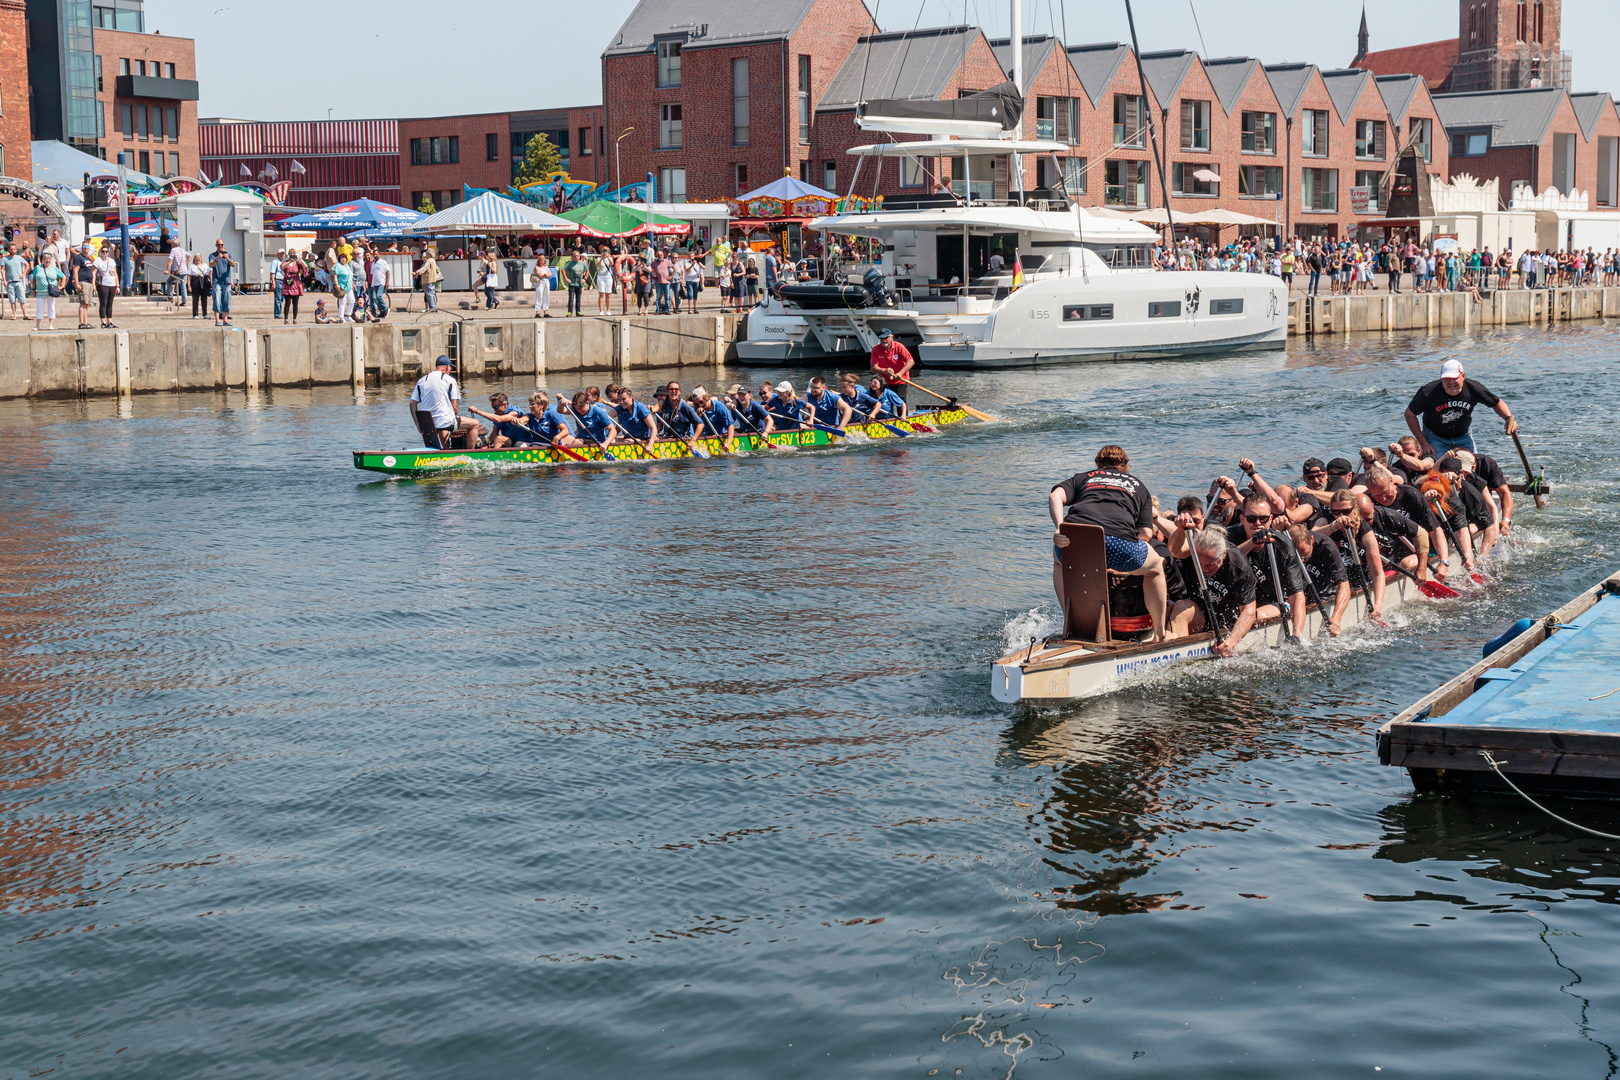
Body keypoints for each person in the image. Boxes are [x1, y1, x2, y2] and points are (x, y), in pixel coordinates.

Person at [1049, 444, 1170, 642]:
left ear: (1097, 465)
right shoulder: (1138, 485)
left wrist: (1060, 526)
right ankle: (1159, 633)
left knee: (1058, 561)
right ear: (1126, 468)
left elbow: (1055, 496)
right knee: (1156, 567)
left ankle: (1069, 625)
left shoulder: (1083, 478)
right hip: (1121, 544)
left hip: (1078, 541)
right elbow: (1146, 533)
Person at [1225, 493, 1309, 638]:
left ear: (1270, 519)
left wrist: (1297, 635)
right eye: (1251, 519)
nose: (1258, 523)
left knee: (1253, 615)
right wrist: (1253, 542)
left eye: (1263, 519)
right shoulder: (1230, 536)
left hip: (1274, 603)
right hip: (1238, 604)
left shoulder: (1283, 544)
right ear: (1242, 519)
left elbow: (1296, 596)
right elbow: (1225, 561)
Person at [1168, 527, 1257, 656]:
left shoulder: (1238, 565)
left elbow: (1249, 611)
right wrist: (1180, 529)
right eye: (1200, 563)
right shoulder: (1193, 551)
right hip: (1199, 614)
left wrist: (1231, 641)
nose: (1204, 569)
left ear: (1223, 555)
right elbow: (1174, 550)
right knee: (1179, 606)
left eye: (1210, 564)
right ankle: (1175, 654)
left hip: (1225, 622)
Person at [1405, 358, 1516, 458]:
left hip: (1463, 435)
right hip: (1435, 437)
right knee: (1439, 471)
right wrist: (1424, 443)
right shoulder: (1428, 392)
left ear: (1463, 376)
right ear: (1441, 378)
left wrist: (1508, 418)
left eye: (1455, 378)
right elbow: (1409, 414)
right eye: (1447, 378)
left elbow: (1496, 402)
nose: (1451, 382)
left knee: (1473, 467)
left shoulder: (1473, 389)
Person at [410, 356, 482, 448]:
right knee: (474, 424)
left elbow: (412, 403)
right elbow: (454, 406)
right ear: (448, 367)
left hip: (427, 423)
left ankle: (446, 450)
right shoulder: (450, 380)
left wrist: (417, 423)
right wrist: (455, 418)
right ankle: (470, 454)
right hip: (445, 421)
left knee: (443, 428)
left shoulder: (422, 380)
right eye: (450, 368)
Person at [655, 379, 705, 453]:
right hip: (669, 438)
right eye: (671, 389)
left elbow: (700, 424)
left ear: (679, 392)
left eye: (676, 389)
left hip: (684, 439)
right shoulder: (663, 404)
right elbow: (654, 409)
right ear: (667, 392)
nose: (673, 391)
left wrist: (693, 440)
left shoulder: (685, 406)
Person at [869, 327, 915, 405]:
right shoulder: (876, 349)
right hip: (885, 381)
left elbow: (910, 361)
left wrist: (900, 373)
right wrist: (884, 370)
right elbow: (873, 368)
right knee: (885, 402)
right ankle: (887, 416)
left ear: (891, 337)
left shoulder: (899, 347)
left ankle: (903, 416)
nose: (884, 340)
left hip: (900, 380)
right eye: (881, 338)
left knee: (900, 402)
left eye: (886, 337)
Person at [32, 251, 64, 330]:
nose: (47, 260)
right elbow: (33, 278)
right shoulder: (38, 268)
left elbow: (63, 276)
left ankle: (51, 324)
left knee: (51, 307)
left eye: (49, 259)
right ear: (43, 259)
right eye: (46, 259)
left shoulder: (54, 268)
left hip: (51, 291)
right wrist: (34, 289)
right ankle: (37, 325)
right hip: (40, 291)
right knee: (39, 307)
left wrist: (61, 286)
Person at [69, 243, 96, 330]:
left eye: (87, 247)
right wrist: (77, 283)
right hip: (82, 281)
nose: (85, 248)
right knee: (82, 303)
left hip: (88, 282)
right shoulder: (78, 257)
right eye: (84, 247)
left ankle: (85, 322)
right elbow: (75, 271)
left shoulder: (88, 258)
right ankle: (81, 322)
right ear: (81, 248)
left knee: (86, 304)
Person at [210, 240, 236, 327]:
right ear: (216, 245)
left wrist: (227, 258)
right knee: (217, 300)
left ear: (224, 245)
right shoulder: (212, 255)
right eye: (218, 245)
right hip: (217, 281)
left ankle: (225, 320)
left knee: (226, 300)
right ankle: (217, 320)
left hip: (227, 281)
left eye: (221, 244)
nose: (220, 246)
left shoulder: (229, 254)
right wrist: (218, 258)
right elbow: (211, 265)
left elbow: (233, 264)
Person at [93, 244, 119, 329]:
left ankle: (109, 321)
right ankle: (102, 321)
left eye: (106, 252)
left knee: (110, 303)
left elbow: (115, 274)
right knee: (103, 302)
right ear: (101, 252)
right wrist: (93, 284)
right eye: (103, 251)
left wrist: (117, 285)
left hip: (112, 283)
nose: (104, 253)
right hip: (103, 283)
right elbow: (94, 273)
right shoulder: (98, 260)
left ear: (108, 252)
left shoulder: (111, 261)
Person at [1, 243, 25, 320]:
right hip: (10, 282)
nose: (12, 250)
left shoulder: (19, 257)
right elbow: (2, 270)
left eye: (14, 249)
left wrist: (24, 273)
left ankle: (25, 314)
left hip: (18, 281)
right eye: (11, 249)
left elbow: (27, 264)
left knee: (22, 298)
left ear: (16, 250)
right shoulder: (4, 259)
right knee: (12, 299)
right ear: (8, 250)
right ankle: (14, 314)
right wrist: (4, 280)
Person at [280, 253, 305, 324]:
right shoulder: (286, 262)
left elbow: (305, 266)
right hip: (288, 284)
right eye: (291, 255)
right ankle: (286, 319)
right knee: (287, 302)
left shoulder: (297, 263)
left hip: (296, 284)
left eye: (294, 254)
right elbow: (282, 267)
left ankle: (295, 319)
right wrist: (290, 261)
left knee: (295, 303)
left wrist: (301, 260)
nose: (293, 256)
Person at [414, 248, 441, 312]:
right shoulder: (433, 260)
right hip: (432, 279)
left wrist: (417, 272)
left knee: (429, 294)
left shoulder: (429, 261)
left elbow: (424, 268)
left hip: (428, 279)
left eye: (426, 253)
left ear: (429, 254)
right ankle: (435, 307)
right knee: (432, 293)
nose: (426, 254)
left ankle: (432, 308)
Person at [563, 251, 586, 317]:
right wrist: (566, 278)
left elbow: (587, 270)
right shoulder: (570, 263)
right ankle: (570, 312)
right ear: (573, 257)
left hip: (579, 284)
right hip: (572, 284)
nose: (576, 257)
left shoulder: (582, 263)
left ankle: (578, 311)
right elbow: (563, 270)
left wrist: (585, 279)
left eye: (577, 256)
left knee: (578, 298)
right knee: (571, 298)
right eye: (575, 256)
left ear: (579, 256)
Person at [369, 254, 391, 321]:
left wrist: (387, 282)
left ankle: (385, 308)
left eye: (376, 254)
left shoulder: (383, 262)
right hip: (375, 283)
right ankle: (382, 311)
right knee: (374, 298)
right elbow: (373, 275)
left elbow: (388, 272)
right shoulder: (373, 264)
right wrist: (372, 285)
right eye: (374, 254)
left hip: (381, 282)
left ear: (379, 254)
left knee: (379, 296)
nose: (375, 255)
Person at [594, 251, 615, 315]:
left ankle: (608, 310)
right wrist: (602, 258)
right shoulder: (599, 258)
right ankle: (601, 310)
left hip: (608, 276)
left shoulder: (610, 258)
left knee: (608, 294)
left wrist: (608, 257)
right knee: (601, 293)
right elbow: (597, 265)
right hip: (601, 276)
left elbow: (612, 264)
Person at [532, 253, 551, 318]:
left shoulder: (546, 267)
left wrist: (544, 274)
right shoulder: (536, 267)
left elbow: (550, 274)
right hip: (539, 282)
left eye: (543, 260)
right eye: (540, 260)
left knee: (546, 296)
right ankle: (537, 312)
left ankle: (545, 312)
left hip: (546, 282)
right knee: (539, 295)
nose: (542, 262)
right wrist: (546, 274)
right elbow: (539, 274)